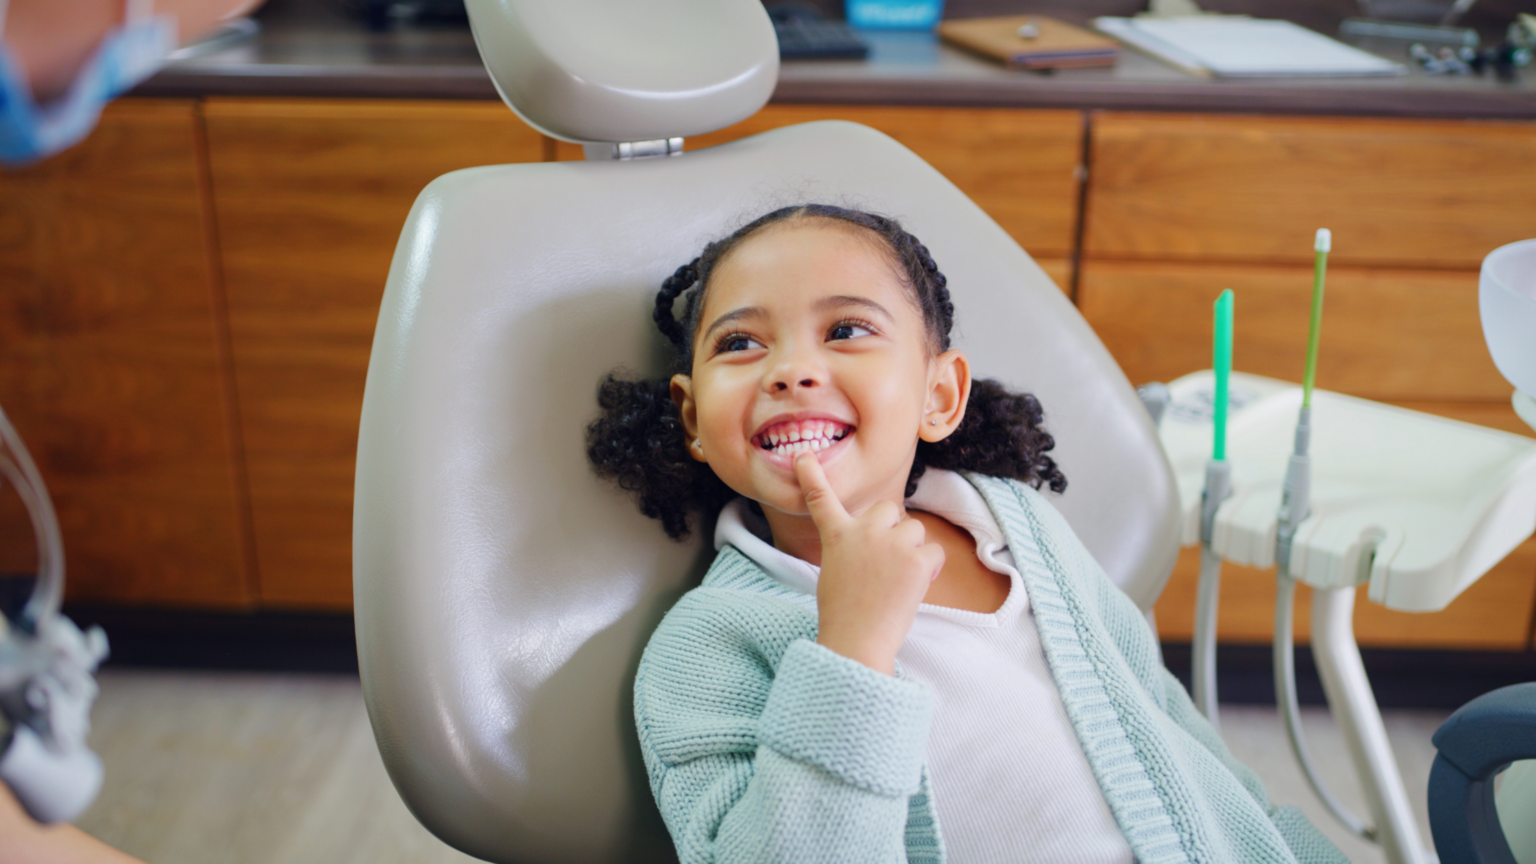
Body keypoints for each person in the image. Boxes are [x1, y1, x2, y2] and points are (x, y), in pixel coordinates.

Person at [587, 204, 1348, 864]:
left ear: (939, 395)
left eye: (846, 330)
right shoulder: (704, 649)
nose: (790, 370)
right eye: (741, 344)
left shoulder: (1020, 530)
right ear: (693, 419)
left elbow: (1171, 731)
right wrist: (851, 651)